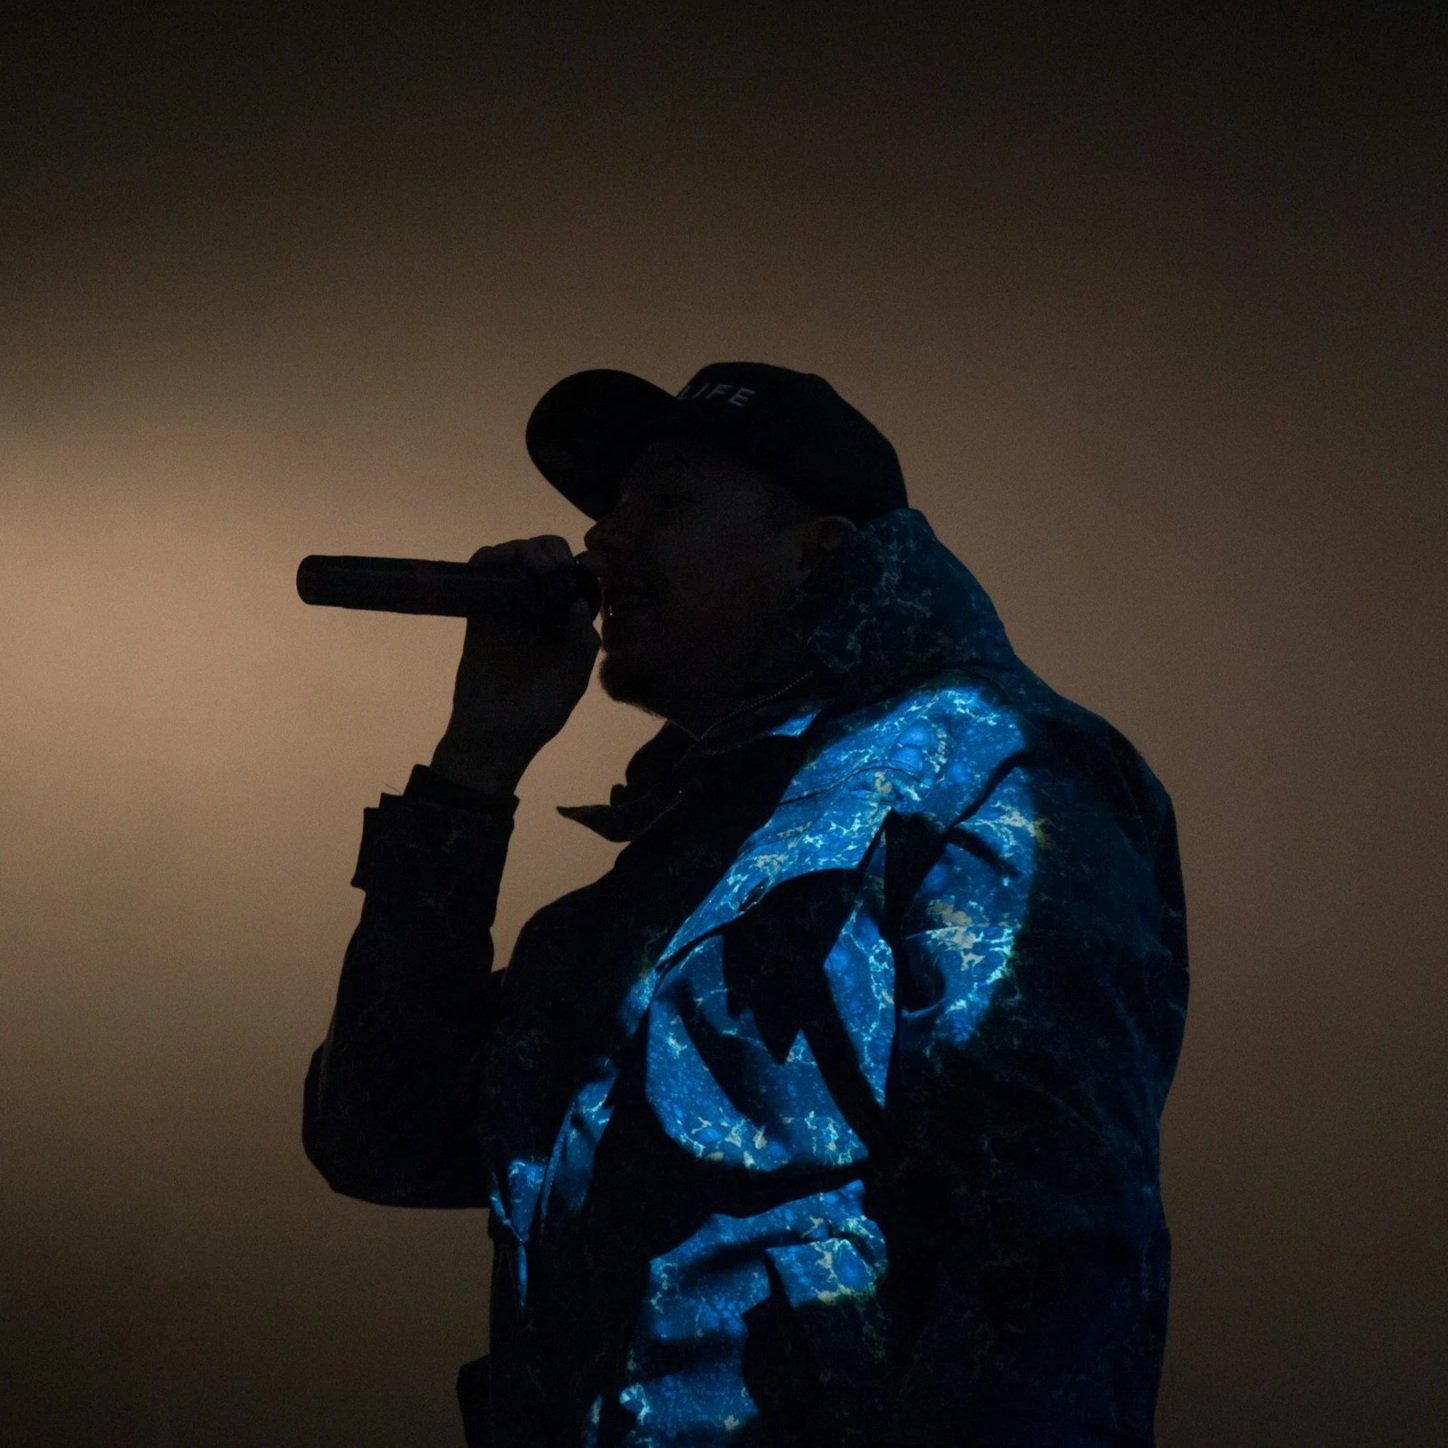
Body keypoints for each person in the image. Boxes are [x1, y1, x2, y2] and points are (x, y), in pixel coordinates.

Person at [302, 362, 1190, 1446]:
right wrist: (474, 768)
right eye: (608, 509)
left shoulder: (984, 765)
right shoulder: (663, 876)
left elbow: (1046, 1246)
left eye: (666, 504)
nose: (601, 544)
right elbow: (381, 1132)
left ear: (818, 550)